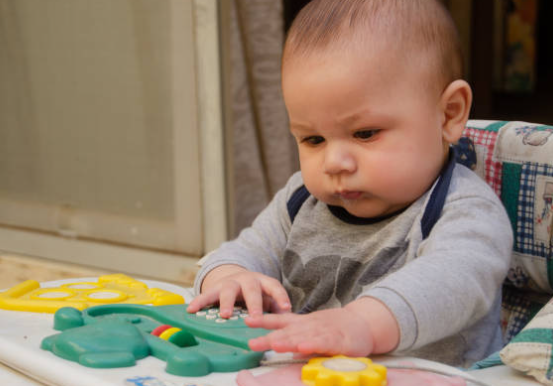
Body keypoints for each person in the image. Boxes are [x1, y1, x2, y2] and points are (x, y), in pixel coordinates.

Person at [187, 0, 513, 367]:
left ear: (449, 114)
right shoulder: (300, 201)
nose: (334, 163)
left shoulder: (465, 210)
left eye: (365, 133)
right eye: (313, 140)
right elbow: (246, 250)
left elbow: (455, 282)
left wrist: (362, 322)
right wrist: (228, 277)